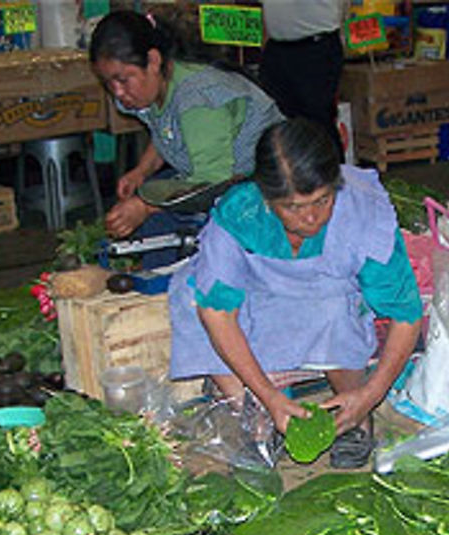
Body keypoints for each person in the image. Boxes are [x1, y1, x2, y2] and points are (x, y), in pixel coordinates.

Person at [168, 118, 423, 469]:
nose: (311, 218)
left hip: (328, 290)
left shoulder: (362, 216)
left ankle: (353, 416)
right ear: (267, 198)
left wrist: (371, 394)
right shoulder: (241, 213)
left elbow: (406, 314)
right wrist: (269, 396)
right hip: (261, 290)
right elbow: (218, 313)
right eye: (292, 207)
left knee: (332, 308)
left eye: (322, 200)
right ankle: (255, 416)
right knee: (192, 292)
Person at [88, 10, 283, 263]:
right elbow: (168, 131)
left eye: (123, 80)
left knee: (158, 228)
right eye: (108, 83)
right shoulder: (160, 86)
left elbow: (215, 183)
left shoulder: (197, 100)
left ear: (153, 60)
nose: (118, 92)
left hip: (261, 189)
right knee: (151, 213)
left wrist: (145, 208)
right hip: (213, 175)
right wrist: (142, 171)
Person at [259, 0, 347, 159]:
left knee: (317, 121)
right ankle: (291, 175)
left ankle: (334, 176)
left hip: (315, 46)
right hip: (277, 48)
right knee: (277, 119)